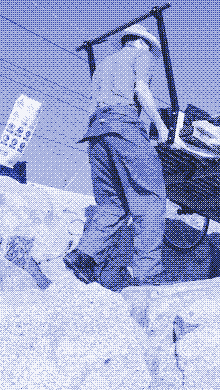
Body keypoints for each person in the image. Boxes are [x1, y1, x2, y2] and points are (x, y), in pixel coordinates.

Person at [64, 24, 170, 291]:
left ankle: (84, 256)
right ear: (143, 43)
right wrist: (160, 125)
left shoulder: (103, 64)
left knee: (112, 204)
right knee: (150, 199)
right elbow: (141, 89)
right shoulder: (140, 56)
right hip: (124, 127)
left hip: (96, 133)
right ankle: (143, 272)